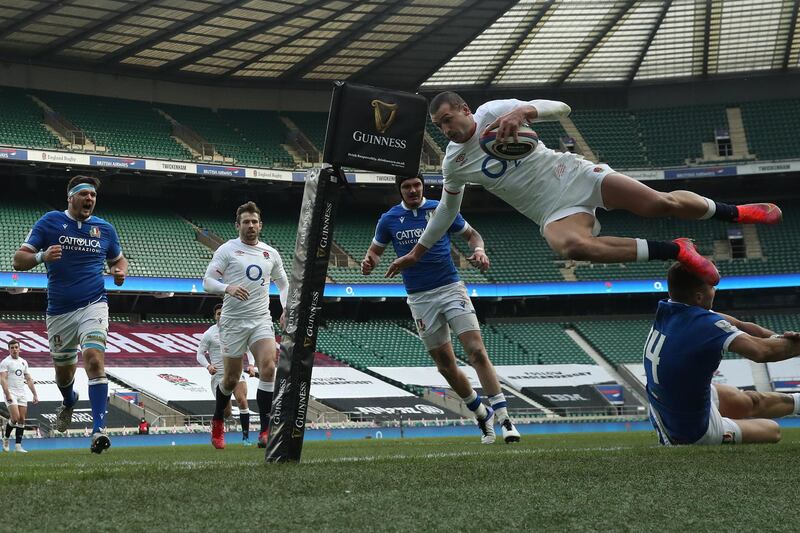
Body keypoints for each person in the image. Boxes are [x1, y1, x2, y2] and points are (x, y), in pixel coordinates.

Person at [387, 92, 782, 286]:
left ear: (465, 110)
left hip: (572, 174)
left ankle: (737, 212)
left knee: (658, 204)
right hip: (549, 210)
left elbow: (561, 108)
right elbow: (446, 212)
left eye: (446, 119)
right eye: (438, 126)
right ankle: (679, 249)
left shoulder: (494, 112)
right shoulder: (453, 163)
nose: (445, 129)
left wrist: (523, 111)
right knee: (569, 246)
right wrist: (417, 252)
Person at [362, 174, 521, 444]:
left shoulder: (441, 208)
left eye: (416, 185)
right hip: (420, 298)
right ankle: (481, 413)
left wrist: (480, 249)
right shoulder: (389, 219)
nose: (412, 190)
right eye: (406, 187)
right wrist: (369, 262)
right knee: (445, 366)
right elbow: (375, 252)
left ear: (423, 186)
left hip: (450, 288)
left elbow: (472, 235)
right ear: (399, 190)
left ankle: (506, 419)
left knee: (476, 351)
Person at [12, 175, 127, 454]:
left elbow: (118, 259)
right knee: (64, 375)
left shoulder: (105, 229)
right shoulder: (50, 221)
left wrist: (120, 270)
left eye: (93, 195)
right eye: (84, 194)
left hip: (94, 303)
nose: (90, 199)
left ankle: (99, 430)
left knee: (94, 360)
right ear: (70, 197)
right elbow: (18, 259)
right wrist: (41, 257)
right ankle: (69, 400)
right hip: (60, 311)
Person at [644, 262, 800, 445]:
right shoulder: (703, 324)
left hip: (669, 404)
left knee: (750, 401)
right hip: (691, 430)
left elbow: (740, 326)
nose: (715, 290)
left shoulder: (670, 308)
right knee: (772, 430)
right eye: (711, 286)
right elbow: (762, 352)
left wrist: (778, 337)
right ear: (699, 297)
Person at [202, 201, 288, 449]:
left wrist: (285, 308)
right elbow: (208, 281)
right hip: (232, 322)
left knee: (269, 368)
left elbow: (283, 285)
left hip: (261, 319)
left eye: (254, 221)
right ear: (237, 225)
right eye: (246, 222)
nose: (250, 226)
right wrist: (227, 287)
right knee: (229, 379)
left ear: (260, 225)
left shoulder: (271, 253)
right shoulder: (227, 250)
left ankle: (265, 429)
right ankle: (218, 420)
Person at [197, 303, 257, 445]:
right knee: (226, 411)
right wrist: (208, 366)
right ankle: (217, 430)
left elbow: (249, 350)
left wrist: (251, 365)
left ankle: (246, 438)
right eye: (218, 313)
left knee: (242, 400)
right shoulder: (209, 334)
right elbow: (199, 354)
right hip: (219, 376)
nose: (221, 316)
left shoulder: (237, 330)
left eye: (223, 313)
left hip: (236, 372)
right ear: (215, 316)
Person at [1, 339, 38, 453]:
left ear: (19, 348)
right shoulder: (5, 362)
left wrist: (35, 394)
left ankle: (18, 446)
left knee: (22, 420)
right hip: (11, 392)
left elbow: (28, 379)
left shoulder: (23, 362)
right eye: (12, 348)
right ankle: (6, 438)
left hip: (21, 392)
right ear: (9, 349)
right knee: (15, 418)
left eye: (16, 347)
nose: (14, 349)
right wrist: (7, 394)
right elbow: (2, 379)